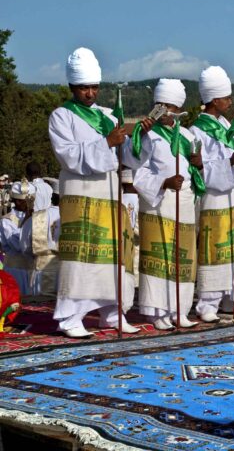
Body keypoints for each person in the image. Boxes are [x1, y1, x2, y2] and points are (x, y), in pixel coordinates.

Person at [50, 47, 142, 338]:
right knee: (82, 256)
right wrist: (107, 143)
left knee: (111, 257)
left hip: (108, 193)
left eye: (93, 87)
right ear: (72, 87)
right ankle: (71, 317)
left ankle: (112, 313)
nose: (90, 93)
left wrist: (139, 136)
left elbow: (126, 156)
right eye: (83, 88)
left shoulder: (107, 116)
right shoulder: (61, 116)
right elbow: (69, 156)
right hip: (81, 193)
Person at [132, 79, 205, 329]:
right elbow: (138, 171)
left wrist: (199, 166)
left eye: (169, 106)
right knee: (160, 255)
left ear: (177, 109)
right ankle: (158, 311)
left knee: (182, 257)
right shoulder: (147, 134)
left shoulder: (188, 135)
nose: (163, 110)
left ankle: (180, 309)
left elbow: (196, 173)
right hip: (159, 202)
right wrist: (163, 182)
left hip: (184, 200)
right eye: (159, 105)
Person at [191, 66, 234, 320]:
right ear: (213, 100)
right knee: (217, 248)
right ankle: (208, 304)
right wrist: (230, 161)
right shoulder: (197, 130)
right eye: (226, 98)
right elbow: (199, 166)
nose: (230, 102)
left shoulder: (227, 125)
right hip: (217, 198)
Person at [1, 180, 35, 295]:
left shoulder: (37, 216)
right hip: (16, 270)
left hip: (32, 269)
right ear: (18, 201)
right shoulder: (7, 220)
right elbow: (17, 244)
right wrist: (27, 220)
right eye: (28, 201)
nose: (31, 204)